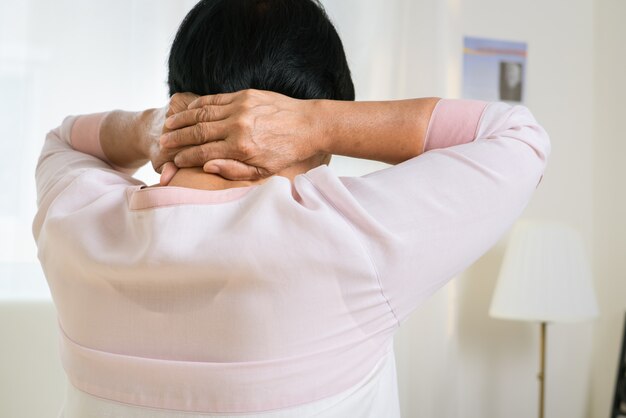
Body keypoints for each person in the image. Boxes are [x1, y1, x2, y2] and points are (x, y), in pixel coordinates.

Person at [33, 0, 550, 417]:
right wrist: (320, 123)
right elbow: (517, 137)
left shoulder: (76, 225)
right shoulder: (348, 238)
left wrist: (152, 128)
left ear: (178, 101)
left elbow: (64, 139)